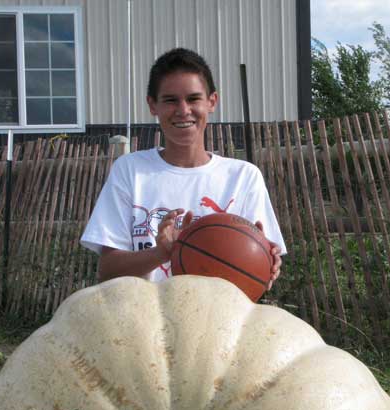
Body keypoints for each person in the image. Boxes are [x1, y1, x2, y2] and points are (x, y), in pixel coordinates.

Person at [80, 47, 285, 289]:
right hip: (144, 320)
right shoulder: (130, 171)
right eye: (170, 100)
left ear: (212, 102)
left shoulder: (243, 177)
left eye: (193, 98)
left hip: (219, 320)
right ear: (152, 105)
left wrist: (264, 264)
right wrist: (164, 252)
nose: (183, 110)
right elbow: (108, 272)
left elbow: (261, 278)